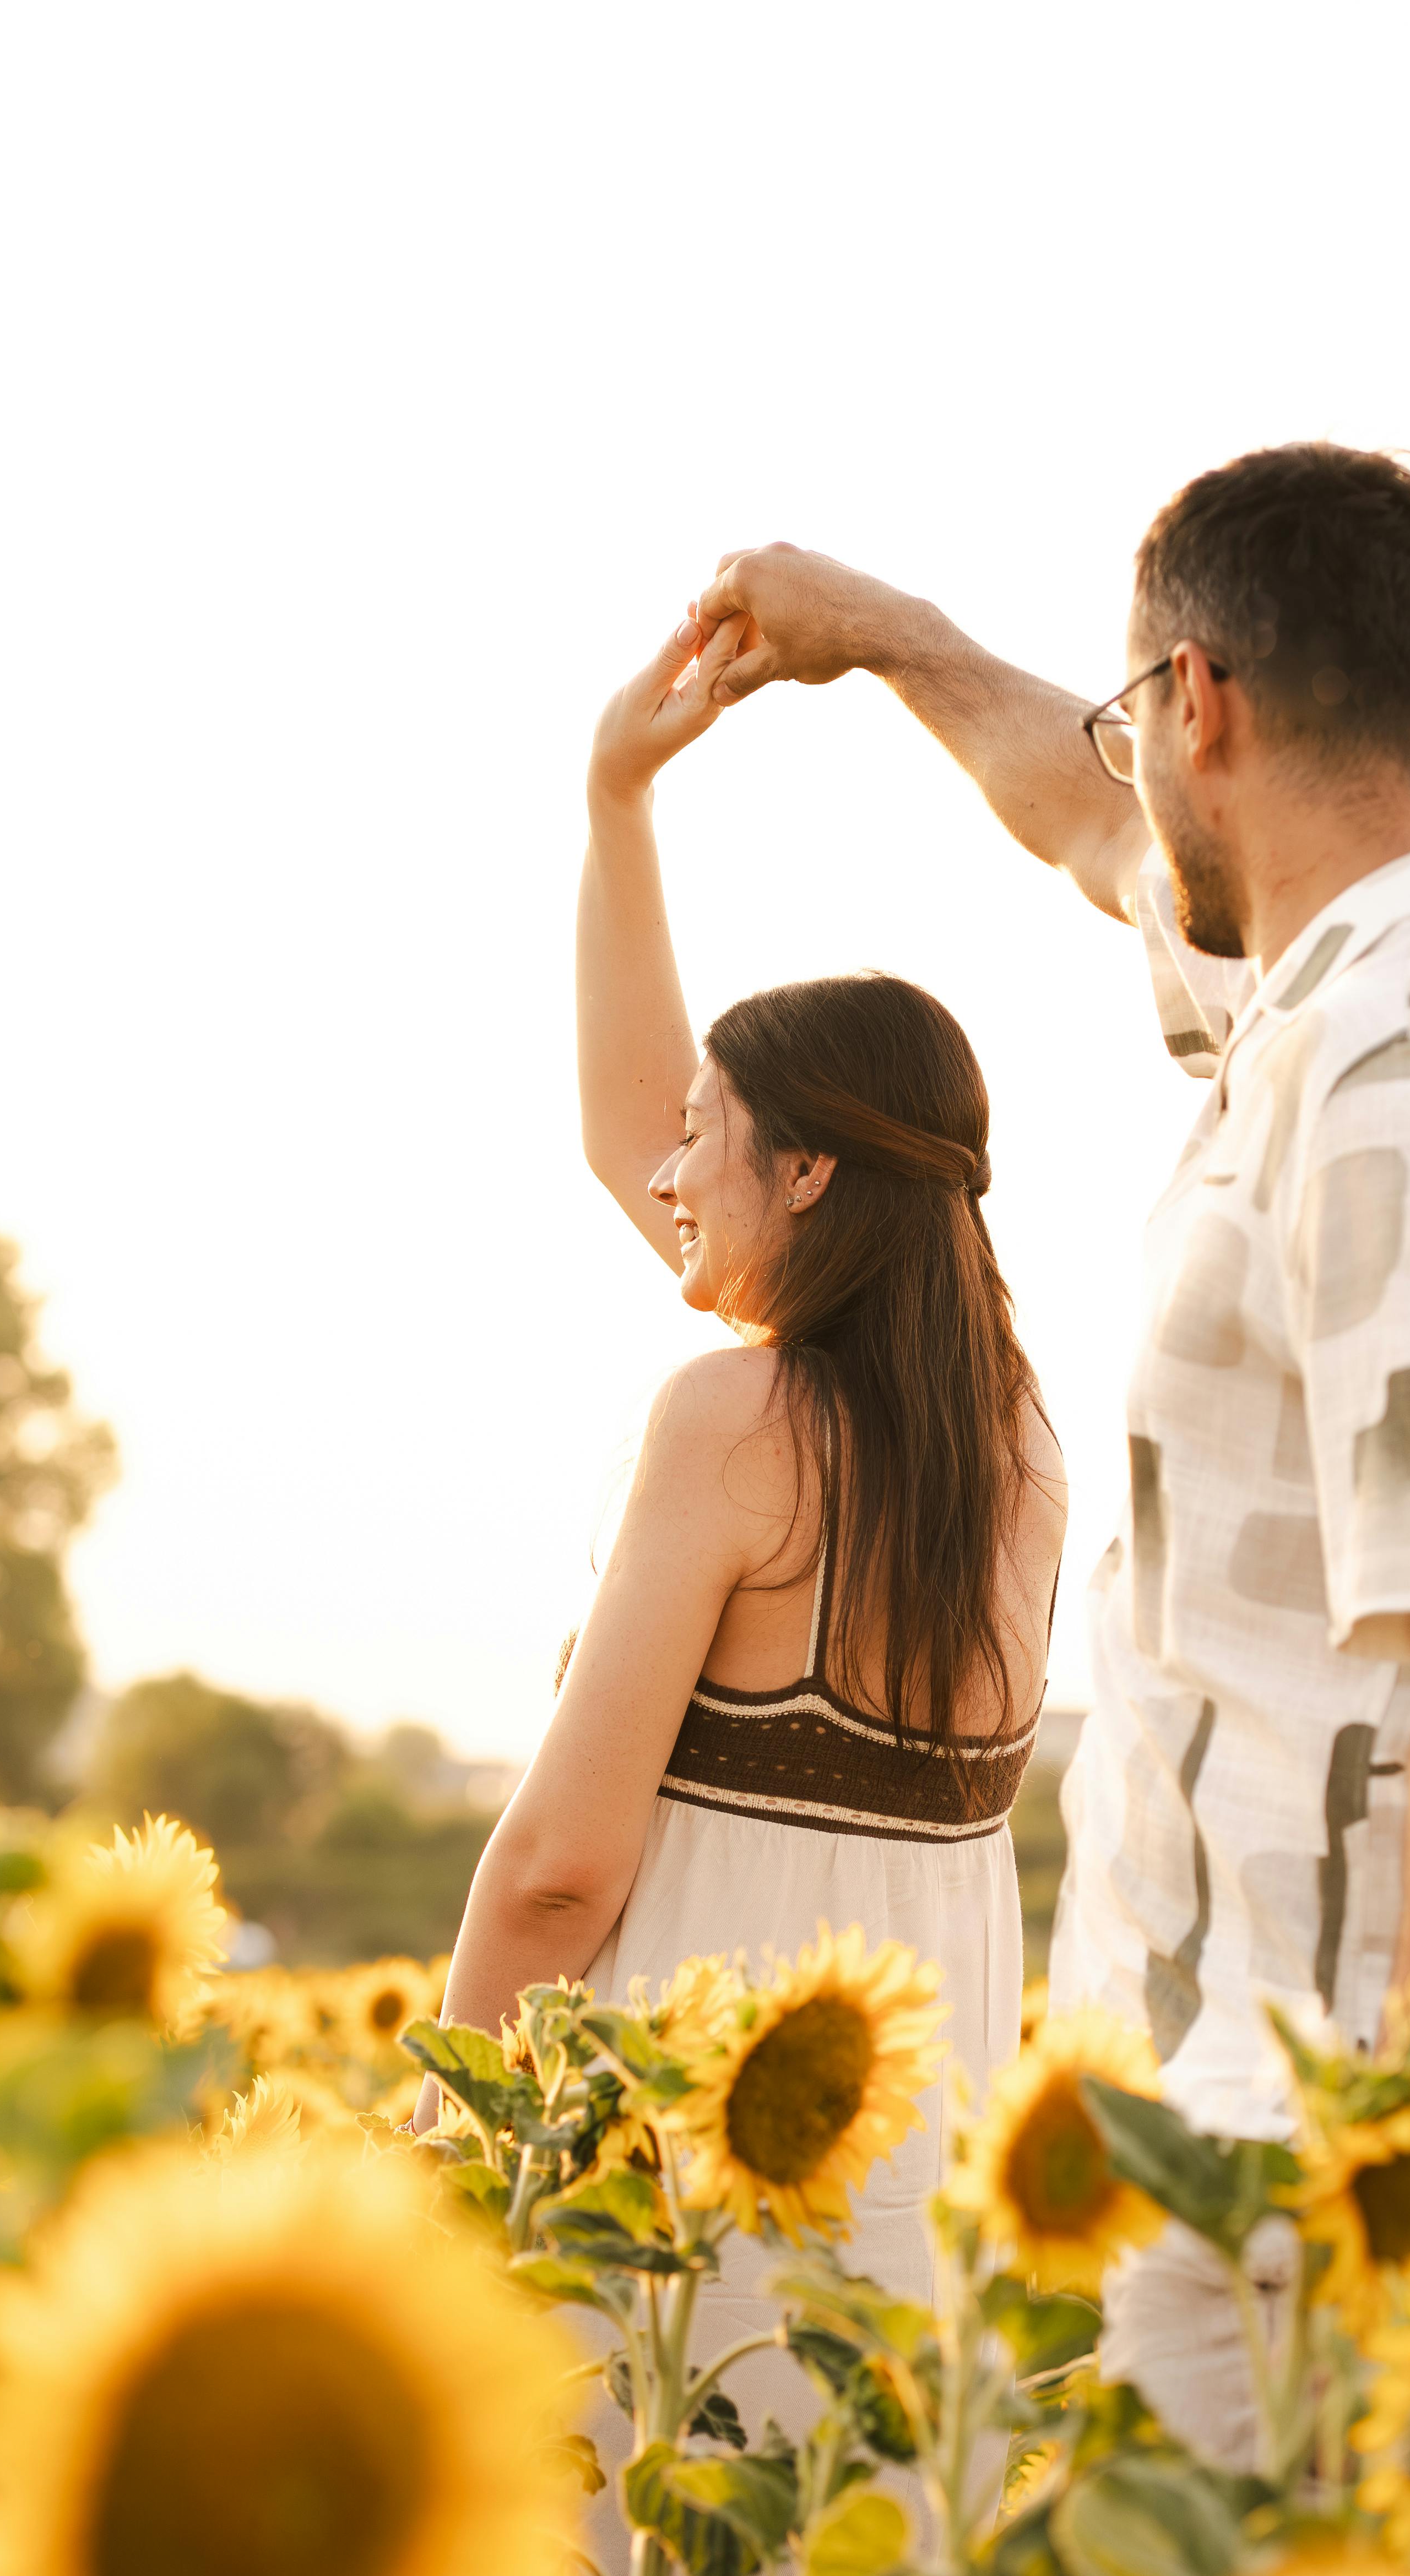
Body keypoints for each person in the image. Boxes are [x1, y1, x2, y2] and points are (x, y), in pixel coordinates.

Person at [689, 446, 1410, 2460]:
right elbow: (1083, 825)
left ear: (1200, 707)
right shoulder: (1353, 1004)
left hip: (1344, 2160)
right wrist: (876, 633)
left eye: (1137, 721)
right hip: (1287, 2125)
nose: (1122, 776)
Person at [423, 610, 1067, 2370]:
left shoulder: (736, 1422)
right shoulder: (1013, 1447)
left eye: (705, 1131)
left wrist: (444, 2156)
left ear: (805, 1166)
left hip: (689, 2249)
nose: (664, 1167)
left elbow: (561, 1870)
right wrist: (614, 803)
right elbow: (630, 1126)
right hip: (909, 2285)